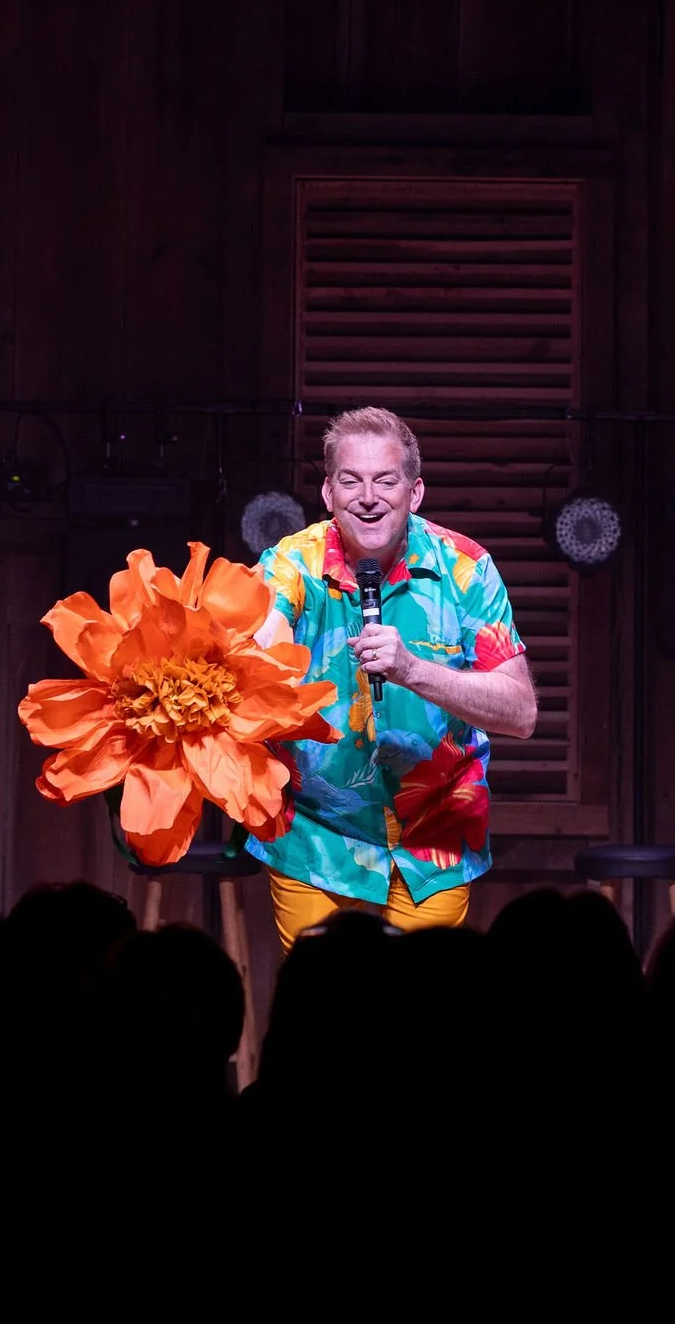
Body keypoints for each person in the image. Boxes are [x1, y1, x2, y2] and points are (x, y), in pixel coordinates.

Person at [249, 405, 537, 952]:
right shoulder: (290, 562)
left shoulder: (466, 568)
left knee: (419, 1006)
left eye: (385, 481)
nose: (368, 497)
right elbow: (266, 628)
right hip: (316, 836)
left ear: (415, 492)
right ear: (328, 493)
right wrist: (262, 647)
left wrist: (413, 670)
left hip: (435, 838)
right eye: (350, 481)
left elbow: (520, 713)